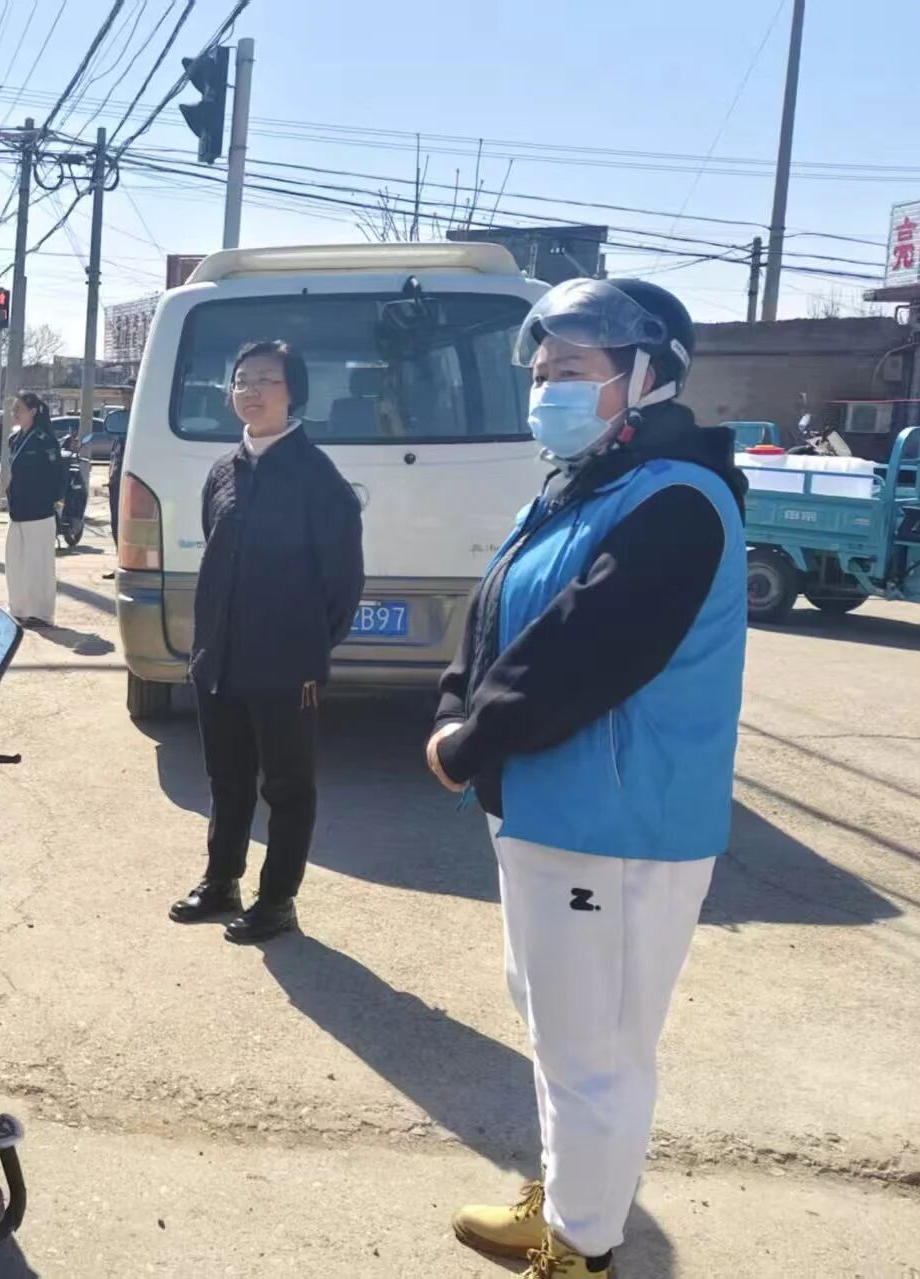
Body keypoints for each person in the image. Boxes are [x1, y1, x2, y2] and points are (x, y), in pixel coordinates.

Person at [427, 279, 745, 1279]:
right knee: (557, 1025)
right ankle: (569, 1203)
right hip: (547, 809)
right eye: (539, 371)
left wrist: (469, 742)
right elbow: (494, 613)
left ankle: (582, 1249)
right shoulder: (581, 487)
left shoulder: (675, 501)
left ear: (646, 377)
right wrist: (450, 706)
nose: (547, 388)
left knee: (597, 1051)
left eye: (571, 369)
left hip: (615, 823)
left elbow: (582, 650)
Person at [168, 341, 364, 944]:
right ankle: (221, 882)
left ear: (292, 391)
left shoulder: (318, 477)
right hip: (219, 659)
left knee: (287, 786)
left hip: (285, 665)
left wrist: (304, 646)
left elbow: (343, 581)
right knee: (226, 780)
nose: (250, 391)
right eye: (241, 380)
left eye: (266, 380)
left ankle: (277, 900)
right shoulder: (222, 472)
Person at [4, 390, 67, 627]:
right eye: (14, 409)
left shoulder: (44, 440)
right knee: (16, 562)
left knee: (38, 565)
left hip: (39, 512)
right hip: (18, 511)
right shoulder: (14, 439)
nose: (15, 413)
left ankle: (41, 613)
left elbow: (58, 474)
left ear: (32, 411)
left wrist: (54, 500)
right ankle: (19, 608)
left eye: (19, 409)